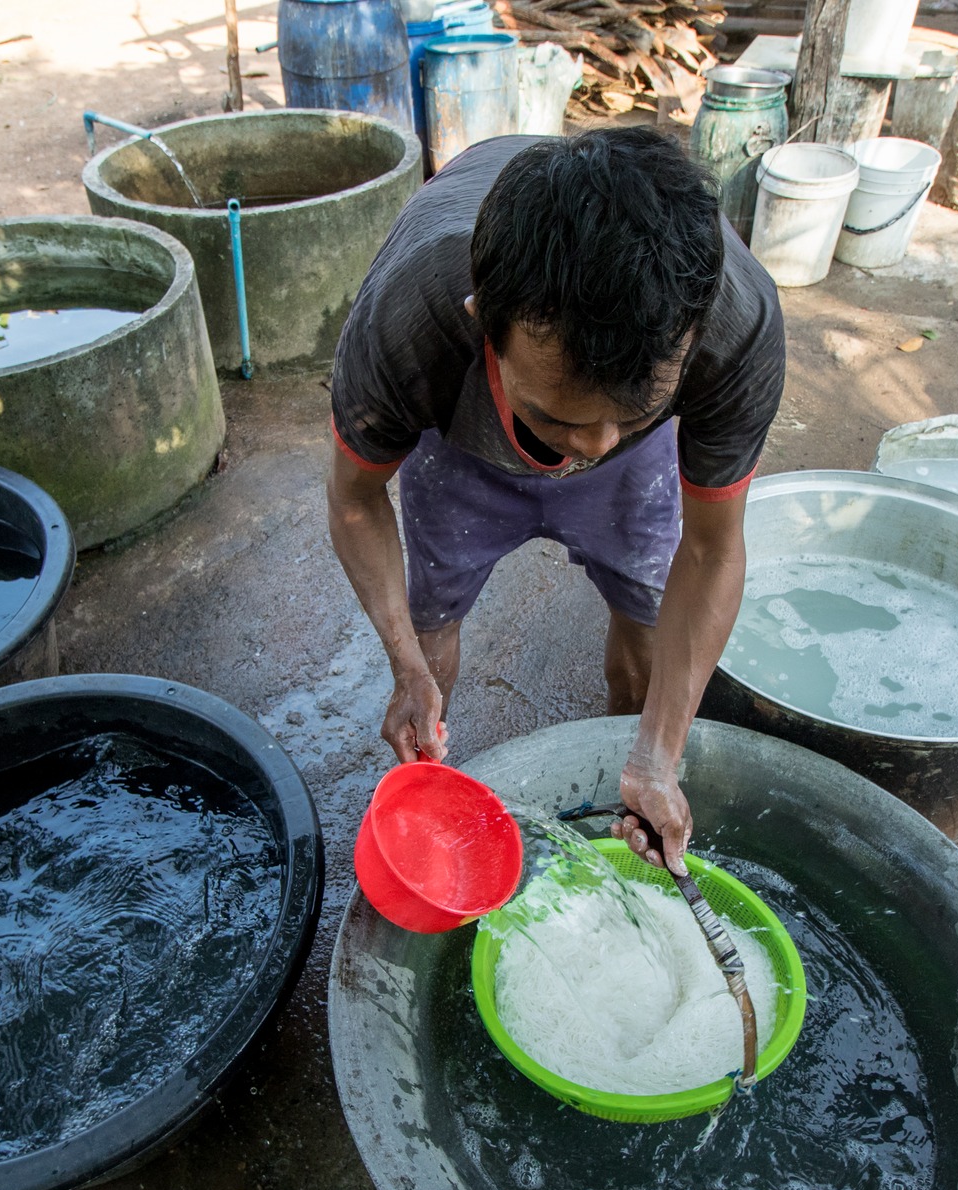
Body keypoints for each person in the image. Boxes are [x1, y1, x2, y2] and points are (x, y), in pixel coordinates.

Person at [326, 127, 785, 874]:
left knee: (646, 635)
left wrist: (661, 753)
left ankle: (624, 781)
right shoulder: (412, 315)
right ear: (484, 322)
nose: (594, 445)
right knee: (431, 623)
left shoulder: (736, 324)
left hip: (641, 472)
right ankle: (430, 770)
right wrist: (405, 662)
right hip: (461, 444)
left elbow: (711, 548)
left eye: (630, 414)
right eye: (562, 417)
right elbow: (353, 499)